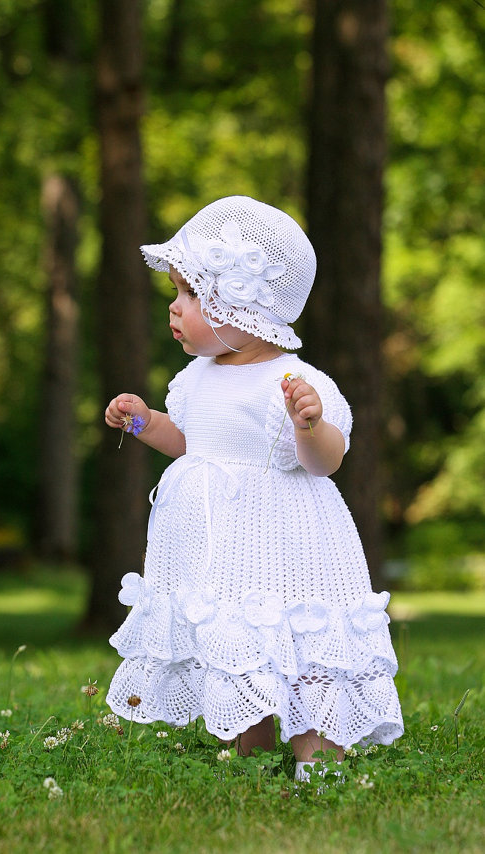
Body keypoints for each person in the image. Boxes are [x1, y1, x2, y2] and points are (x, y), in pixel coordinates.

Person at [105, 195, 403, 779]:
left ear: (242, 303)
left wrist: (309, 426)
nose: (174, 307)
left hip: (286, 545)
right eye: (177, 293)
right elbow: (193, 443)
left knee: (302, 647)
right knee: (237, 645)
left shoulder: (294, 382)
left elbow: (326, 462)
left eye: (191, 295)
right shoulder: (195, 377)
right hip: (223, 552)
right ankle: (251, 755)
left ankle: (320, 761)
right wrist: (143, 421)